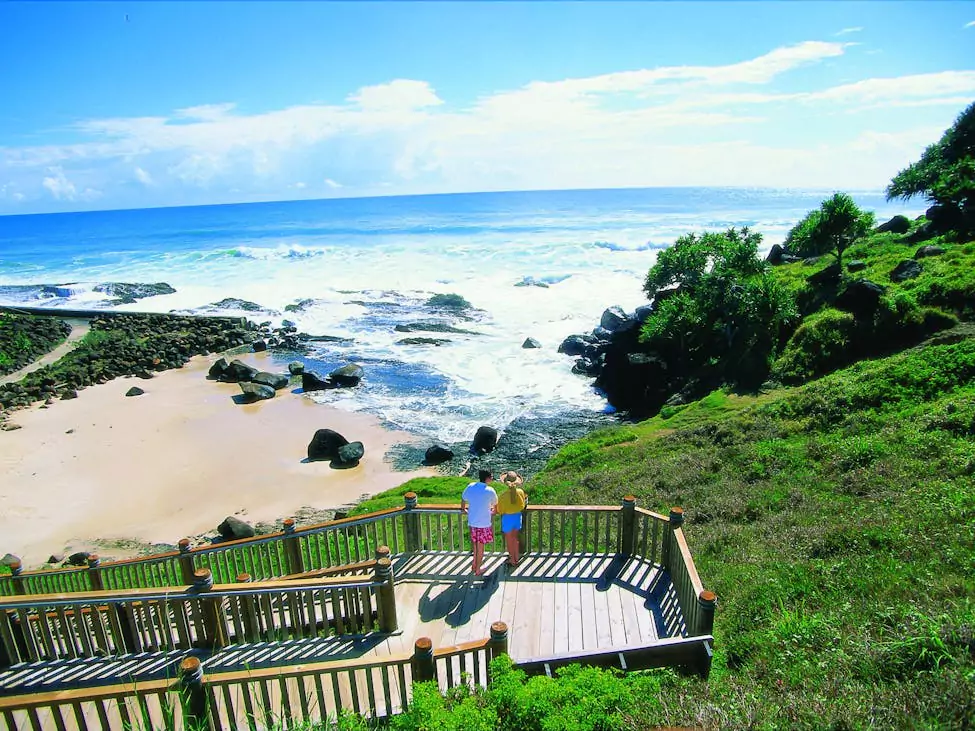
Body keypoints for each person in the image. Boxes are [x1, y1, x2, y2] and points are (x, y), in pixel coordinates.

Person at [461, 469, 498, 576]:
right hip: (484, 522)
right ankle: (477, 569)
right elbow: (495, 504)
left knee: (476, 545)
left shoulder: (471, 486)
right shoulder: (490, 490)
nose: (492, 478)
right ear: (487, 478)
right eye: (491, 476)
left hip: (472, 521)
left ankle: (474, 564)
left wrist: (463, 509)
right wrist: (494, 511)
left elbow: (463, 498)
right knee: (480, 547)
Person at [496, 470, 527, 567]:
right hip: (518, 517)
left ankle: (512, 560)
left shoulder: (503, 496)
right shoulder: (520, 492)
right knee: (515, 539)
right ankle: (516, 558)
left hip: (507, 519)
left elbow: (500, 510)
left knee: (509, 540)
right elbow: (522, 505)